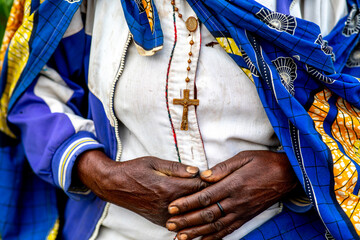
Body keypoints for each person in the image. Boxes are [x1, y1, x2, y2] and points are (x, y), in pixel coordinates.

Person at [0, 0, 359, 239]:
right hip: (115, 228)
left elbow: (352, 103)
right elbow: (35, 87)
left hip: (284, 226)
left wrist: (291, 172)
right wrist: (100, 174)